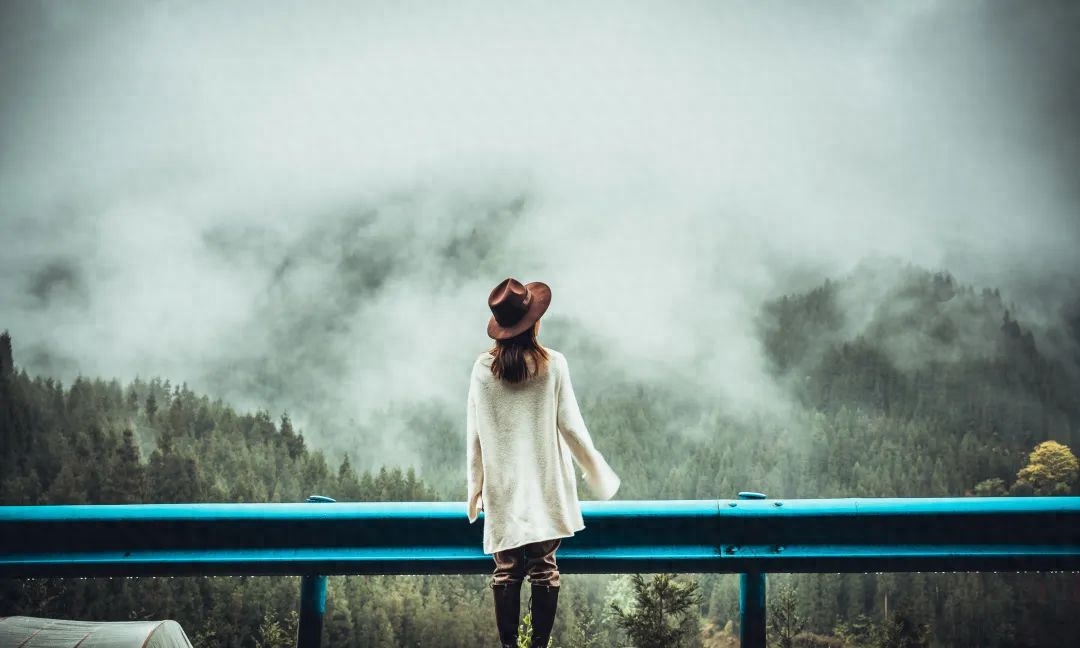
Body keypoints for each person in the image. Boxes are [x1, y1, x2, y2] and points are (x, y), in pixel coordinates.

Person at [466, 277, 621, 648]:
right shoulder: (552, 365)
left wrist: (475, 488)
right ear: (533, 322)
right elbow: (572, 428)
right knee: (544, 569)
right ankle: (537, 646)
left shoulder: (483, 369)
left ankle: (508, 647)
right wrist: (598, 474)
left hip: (502, 484)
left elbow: (474, 435)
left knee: (505, 572)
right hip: (545, 480)